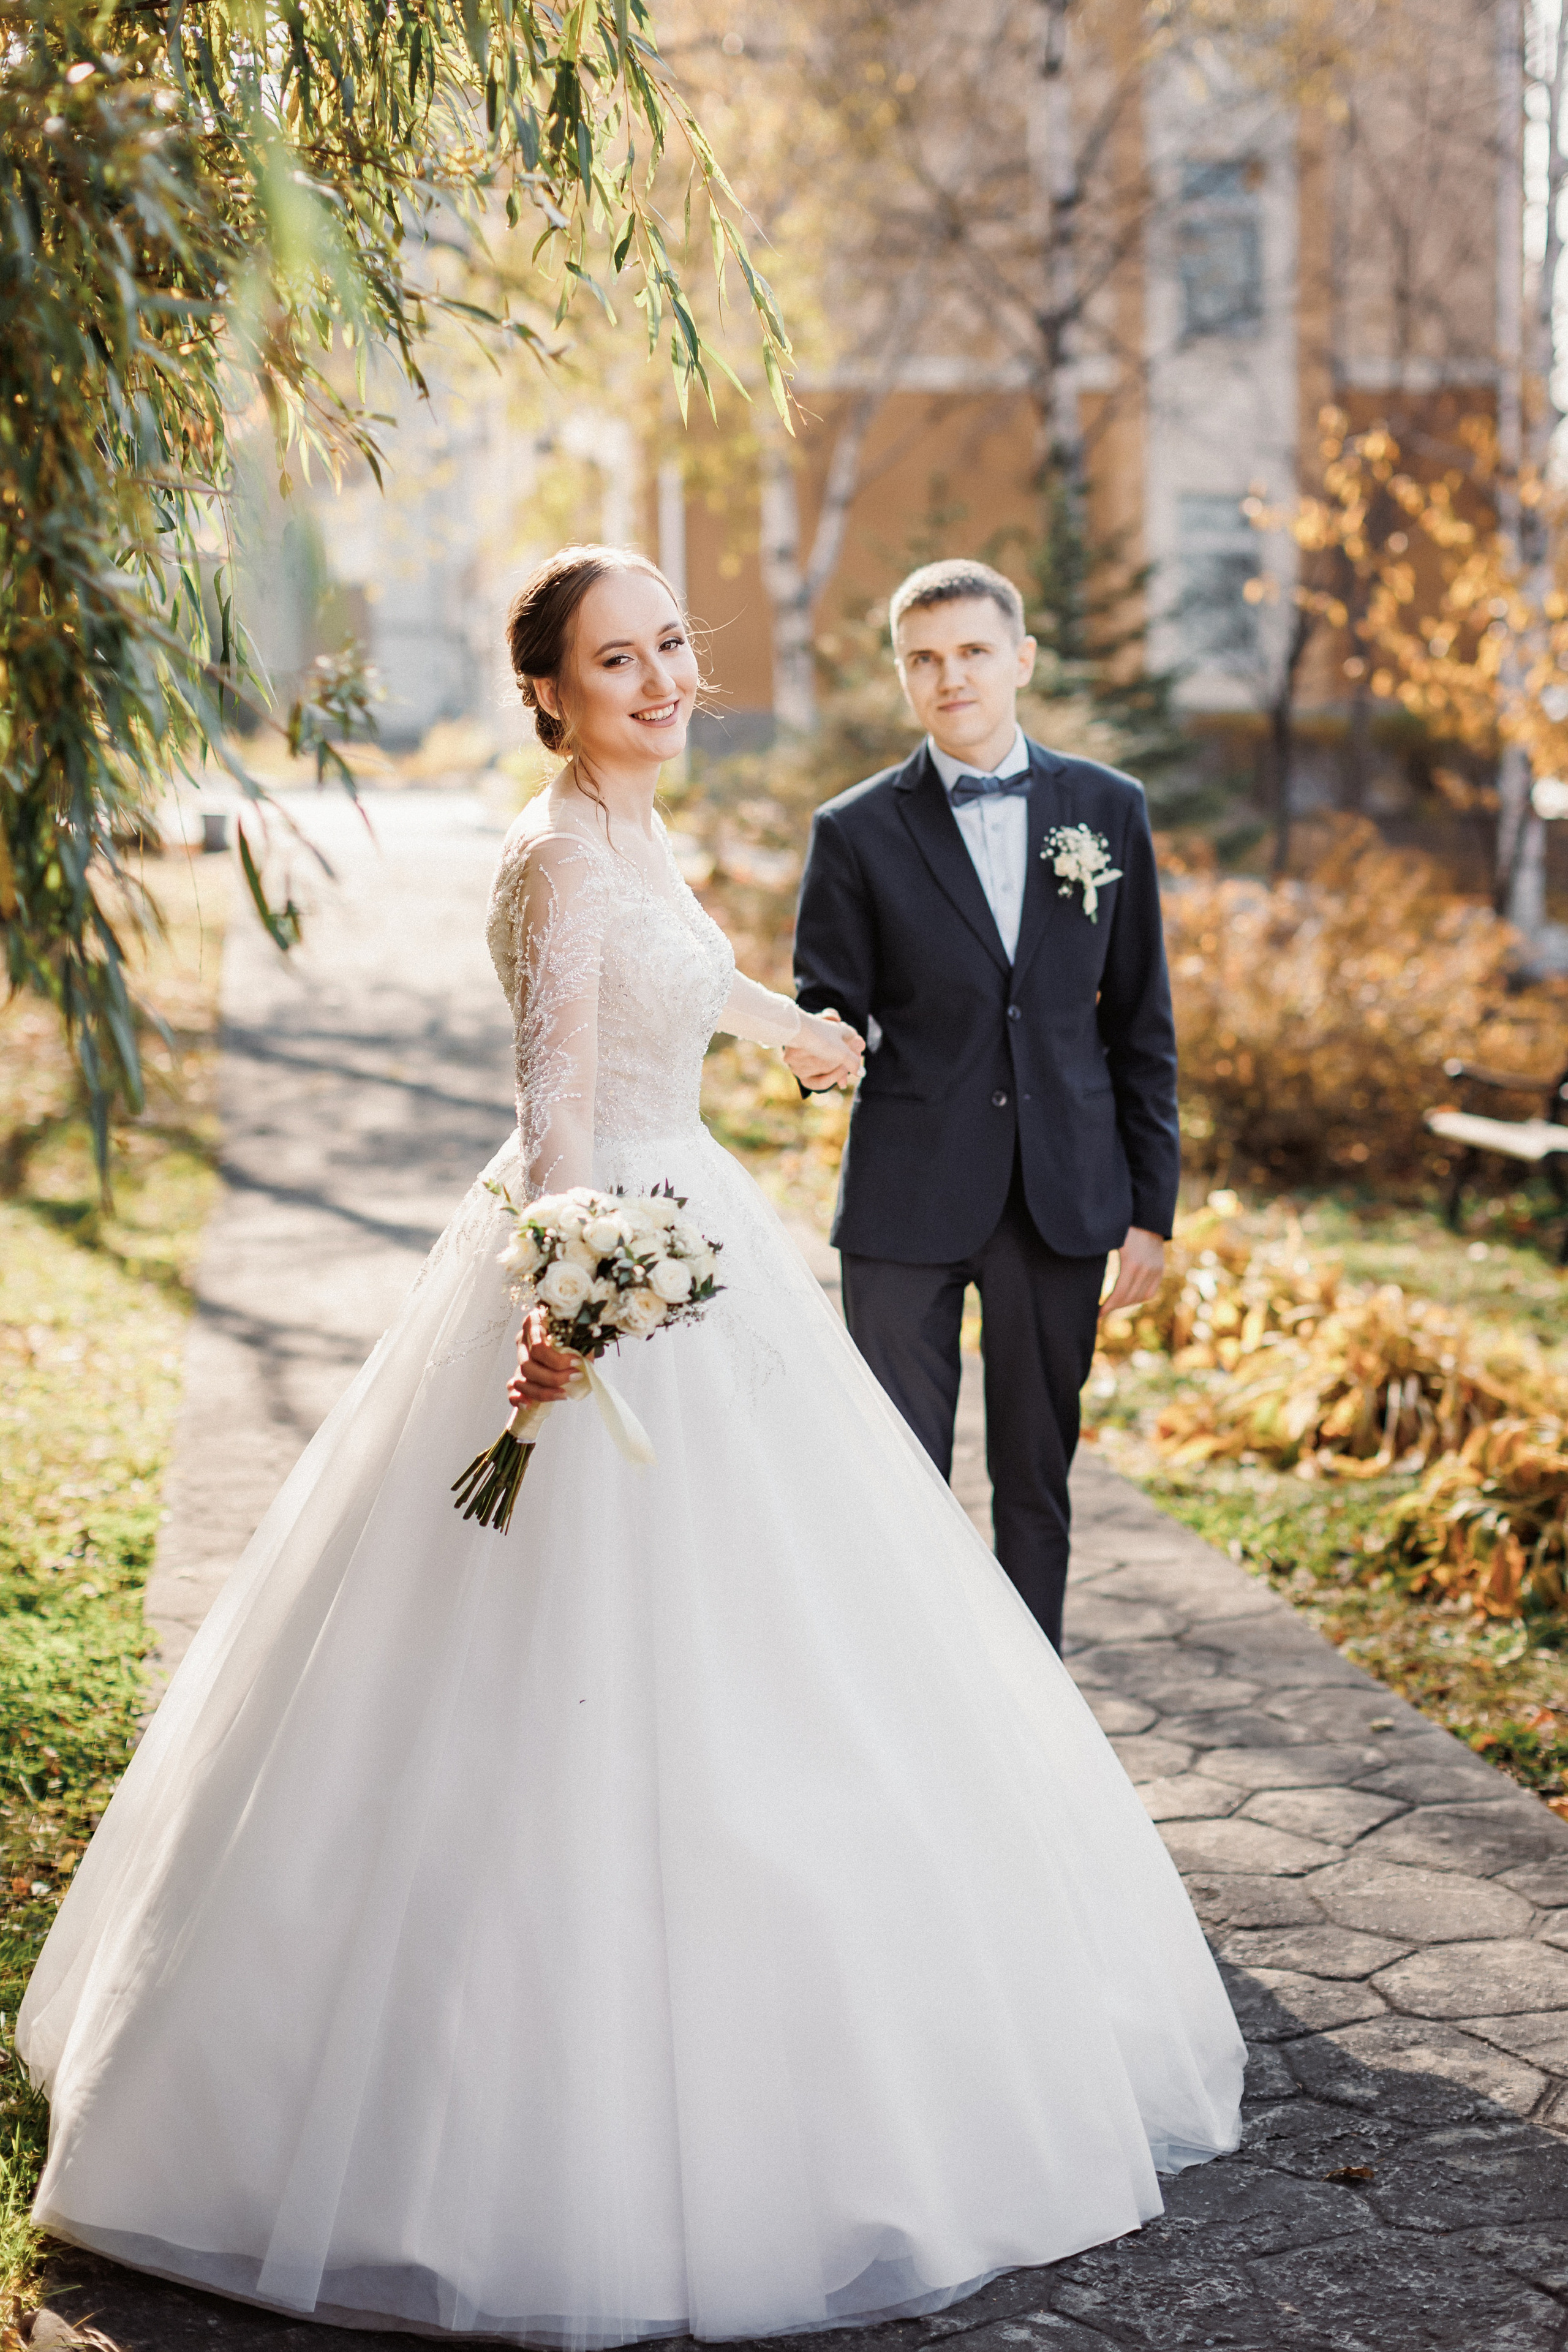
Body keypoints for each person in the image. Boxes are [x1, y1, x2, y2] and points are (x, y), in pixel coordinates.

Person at [20, 546, 1241, 2350]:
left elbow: (673, 980)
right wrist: (573, 1306)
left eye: (673, 643)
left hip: (693, 1231)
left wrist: (797, 1033)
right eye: (621, 659)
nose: (667, 677)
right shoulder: (550, 853)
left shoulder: (626, 826)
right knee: (587, 1657)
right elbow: (557, 1101)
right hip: (619, 1268)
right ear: (553, 694)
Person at [791, 558, 1178, 1652]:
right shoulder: (856, 830)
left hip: (1062, 1196)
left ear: (1021, 658)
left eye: (969, 652)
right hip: (907, 1199)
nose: (948, 676)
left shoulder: (1108, 810)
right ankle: (914, 1712)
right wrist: (824, 1045)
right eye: (923, 659)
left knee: (1035, 1483)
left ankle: (1034, 1722)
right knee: (901, 1482)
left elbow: (1142, 1024)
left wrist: (1153, 1209)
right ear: (902, 677)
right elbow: (831, 1001)